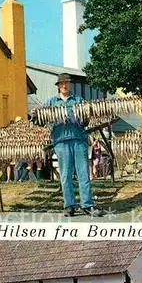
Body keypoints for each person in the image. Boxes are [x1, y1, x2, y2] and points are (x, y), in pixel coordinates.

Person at [34, 73, 103, 217]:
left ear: (70, 85)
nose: (64, 86)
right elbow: (40, 122)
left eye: (66, 83)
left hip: (79, 140)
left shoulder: (78, 100)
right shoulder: (51, 102)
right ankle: (70, 205)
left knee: (83, 173)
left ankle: (87, 205)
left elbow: (85, 122)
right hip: (60, 142)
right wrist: (36, 115)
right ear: (58, 86)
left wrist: (85, 114)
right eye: (61, 84)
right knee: (65, 175)